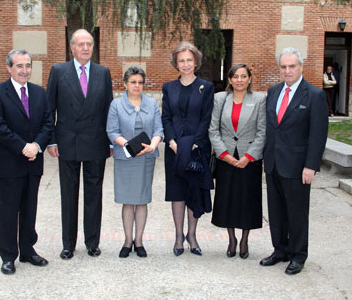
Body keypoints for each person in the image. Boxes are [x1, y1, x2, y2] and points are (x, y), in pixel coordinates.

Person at [47, 29, 113, 260]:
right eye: (81, 44)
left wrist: (111, 140)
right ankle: (68, 244)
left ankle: (92, 242)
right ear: (72, 48)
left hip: (96, 142)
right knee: (69, 194)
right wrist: (52, 140)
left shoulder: (103, 73)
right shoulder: (58, 71)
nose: (85, 48)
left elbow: (108, 109)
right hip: (68, 142)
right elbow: (50, 109)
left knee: (94, 195)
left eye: (89, 44)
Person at [0, 49, 54, 274]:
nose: (24, 70)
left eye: (28, 66)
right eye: (19, 66)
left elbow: (47, 123)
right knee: (8, 211)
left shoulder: (39, 93)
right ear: (9, 68)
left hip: (33, 162)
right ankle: (8, 256)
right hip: (9, 164)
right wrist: (24, 147)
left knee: (29, 209)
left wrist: (37, 146)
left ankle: (27, 250)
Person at [260, 47, 328, 275]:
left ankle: (298, 255)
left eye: (292, 66)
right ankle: (280, 250)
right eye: (283, 67)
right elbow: (271, 128)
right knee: (276, 211)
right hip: (273, 163)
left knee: (297, 212)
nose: (287, 71)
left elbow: (318, 135)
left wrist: (311, 165)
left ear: (301, 67)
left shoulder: (315, 95)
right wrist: (265, 156)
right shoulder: (273, 91)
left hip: (298, 166)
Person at [161, 41, 214, 256]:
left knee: (194, 190)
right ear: (176, 62)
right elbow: (166, 117)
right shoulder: (168, 87)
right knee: (177, 192)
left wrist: (194, 143)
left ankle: (192, 236)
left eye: (189, 60)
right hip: (174, 149)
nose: (185, 64)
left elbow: (206, 118)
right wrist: (172, 142)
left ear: (196, 62)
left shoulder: (206, 87)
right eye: (181, 60)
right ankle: (178, 236)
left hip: (196, 148)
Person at [209, 64, 266, 259]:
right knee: (228, 200)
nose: (239, 80)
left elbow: (262, 131)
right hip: (226, 159)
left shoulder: (259, 99)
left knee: (247, 200)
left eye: (243, 76)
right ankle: (232, 238)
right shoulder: (220, 99)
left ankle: (244, 239)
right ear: (230, 79)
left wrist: (249, 157)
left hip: (248, 160)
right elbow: (213, 130)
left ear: (249, 79)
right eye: (236, 76)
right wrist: (223, 153)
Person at [106, 66, 163, 258]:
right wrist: (128, 145)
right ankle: (127, 241)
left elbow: (158, 130)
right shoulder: (116, 105)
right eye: (133, 82)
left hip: (146, 158)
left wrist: (153, 146)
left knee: (142, 200)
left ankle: (139, 241)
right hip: (126, 158)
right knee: (128, 202)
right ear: (125, 84)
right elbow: (112, 131)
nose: (137, 86)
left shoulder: (152, 104)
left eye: (140, 82)